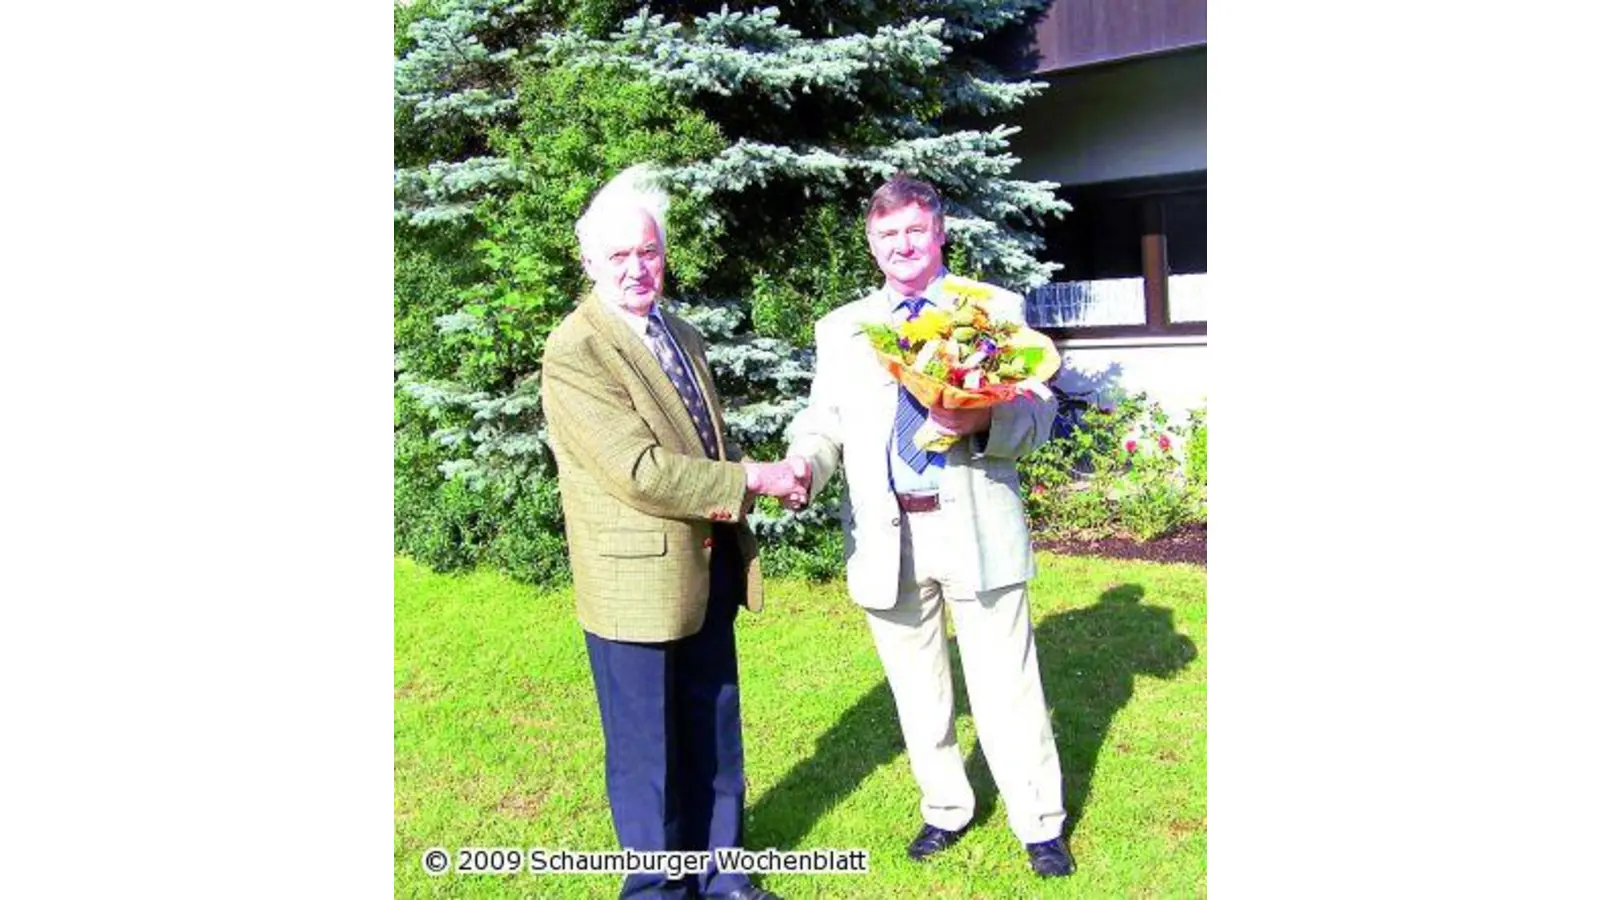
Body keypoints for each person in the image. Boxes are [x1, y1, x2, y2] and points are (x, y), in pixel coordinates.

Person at [781, 174, 1075, 878]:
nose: (902, 245)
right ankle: (946, 807)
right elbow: (825, 423)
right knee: (918, 688)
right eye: (887, 235)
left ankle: (1039, 822)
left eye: (915, 231)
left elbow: (1040, 411)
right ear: (871, 243)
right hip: (887, 533)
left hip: (973, 524)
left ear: (938, 232)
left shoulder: (990, 307)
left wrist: (983, 418)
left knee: (1008, 684)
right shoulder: (843, 329)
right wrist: (802, 468)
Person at [540, 165, 807, 900]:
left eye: (648, 252)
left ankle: (723, 874)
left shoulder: (681, 333)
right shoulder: (576, 349)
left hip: (708, 564)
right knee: (647, 755)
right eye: (619, 256)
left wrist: (757, 483)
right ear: (589, 262)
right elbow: (641, 470)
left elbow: (699, 445)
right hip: (633, 584)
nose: (636, 268)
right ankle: (657, 890)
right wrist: (754, 480)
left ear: (664, 255)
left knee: (715, 730)